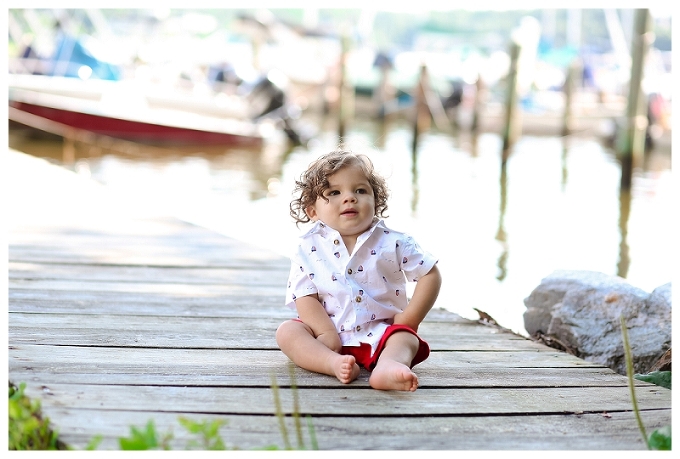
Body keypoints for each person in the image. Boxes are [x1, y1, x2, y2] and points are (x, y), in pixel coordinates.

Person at [276, 150, 442, 391]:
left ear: (376, 200)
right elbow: (304, 295)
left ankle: (388, 366)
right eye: (334, 192)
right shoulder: (308, 248)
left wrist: (410, 319)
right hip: (326, 336)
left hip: (382, 334)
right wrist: (324, 333)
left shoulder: (394, 242)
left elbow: (430, 274)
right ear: (313, 210)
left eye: (360, 191)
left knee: (405, 338)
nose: (349, 198)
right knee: (288, 332)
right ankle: (331, 363)